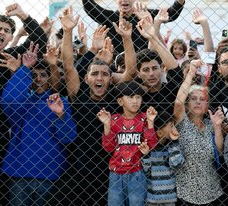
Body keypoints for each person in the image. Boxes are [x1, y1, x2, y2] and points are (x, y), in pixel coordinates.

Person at [57, 7, 137, 205]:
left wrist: (126, 38)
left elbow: (130, 72)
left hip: (109, 171)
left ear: (111, 79)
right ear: (86, 78)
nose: (99, 77)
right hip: (78, 169)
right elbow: (68, 65)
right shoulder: (79, 92)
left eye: (104, 74)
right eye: (94, 74)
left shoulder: (114, 97)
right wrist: (67, 31)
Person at [0, 3, 47, 205]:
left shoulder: (10, 56)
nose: (2, 32)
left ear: (11, 37)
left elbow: (40, 40)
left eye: (7, 31)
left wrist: (22, 15)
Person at [0, 43, 77, 206]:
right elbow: (9, 101)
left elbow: (68, 138)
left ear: (50, 78)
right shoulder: (23, 102)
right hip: (20, 174)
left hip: (50, 175)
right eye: (34, 76)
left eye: (43, 75)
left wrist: (60, 114)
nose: (39, 79)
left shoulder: (60, 102)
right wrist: (24, 69)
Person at [97, 81, 158, 206]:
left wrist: (151, 122)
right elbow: (108, 147)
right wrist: (107, 124)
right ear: (120, 101)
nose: (135, 101)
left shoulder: (144, 118)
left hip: (137, 171)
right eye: (130, 97)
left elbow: (152, 144)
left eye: (138, 97)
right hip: (115, 173)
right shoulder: (113, 119)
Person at [173, 59, 225, 205]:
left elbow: (219, 150)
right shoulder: (182, 122)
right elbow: (178, 103)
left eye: (202, 99)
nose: (198, 102)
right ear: (187, 103)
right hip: (185, 194)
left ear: (207, 104)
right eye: (193, 99)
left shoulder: (211, 124)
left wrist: (217, 127)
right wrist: (190, 73)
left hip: (212, 192)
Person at [82, 0, 185, 55]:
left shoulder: (145, 15)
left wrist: (180, 1)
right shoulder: (110, 17)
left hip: (143, 63)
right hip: (117, 64)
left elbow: (171, 13)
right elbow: (90, 7)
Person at [141, 111, 185, 206]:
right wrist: (146, 155)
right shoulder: (149, 149)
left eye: (174, 125)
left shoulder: (172, 147)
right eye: (170, 125)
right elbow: (146, 171)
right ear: (160, 133)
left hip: (169, 198)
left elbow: (177, 164)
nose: (174, 128)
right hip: (152, 199)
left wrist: (174, 143)